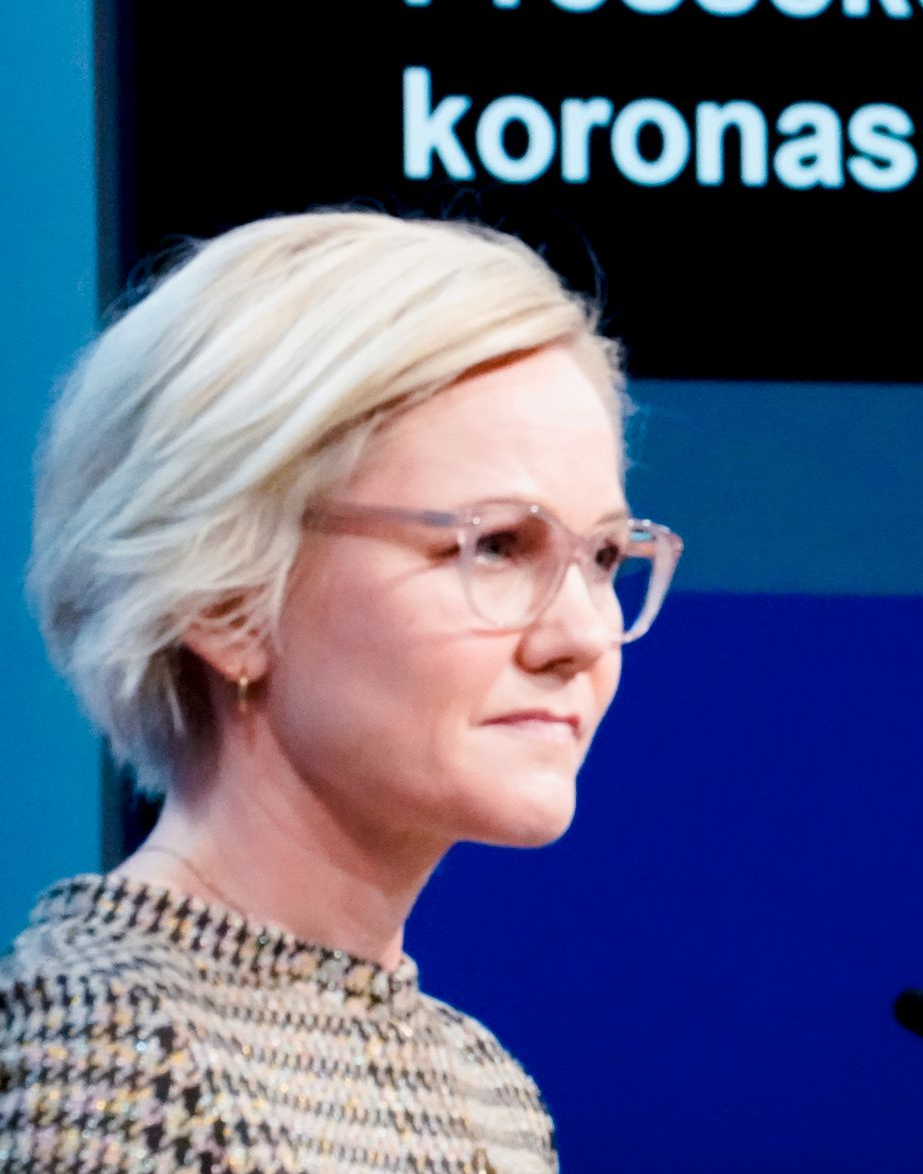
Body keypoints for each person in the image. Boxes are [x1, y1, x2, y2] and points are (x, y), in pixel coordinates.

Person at [0, 212, 681, 1173]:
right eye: (496, 545)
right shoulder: (109, 1061)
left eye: (605, 555)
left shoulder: (483, 1085)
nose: (584, 635)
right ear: (227, 596)